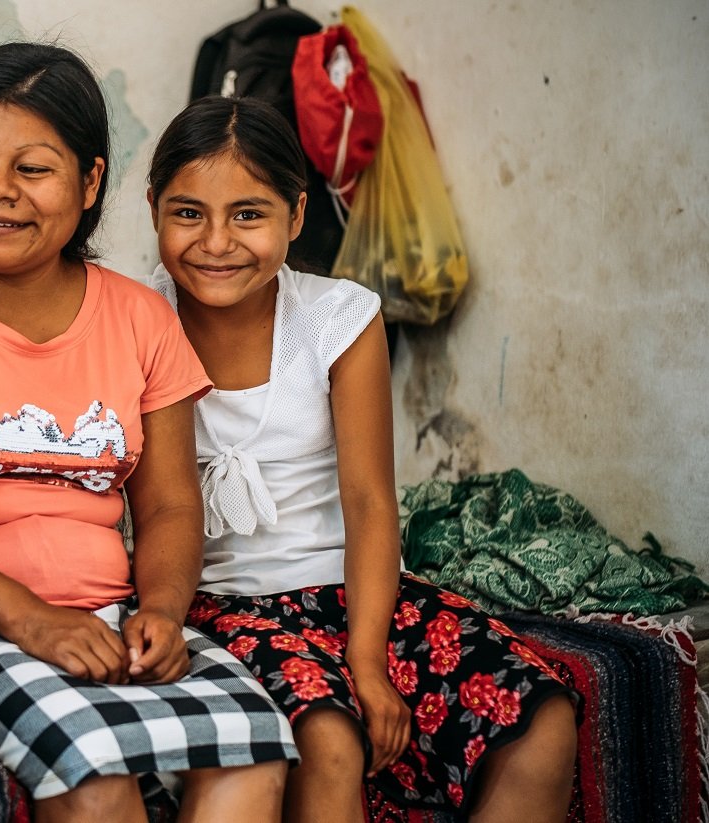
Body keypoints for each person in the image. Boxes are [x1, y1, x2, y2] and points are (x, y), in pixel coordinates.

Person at [0, 42, 297, 823]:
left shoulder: (139, 317)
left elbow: (169, 508)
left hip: (110, 618)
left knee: (254, 750)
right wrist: (29, 618)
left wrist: (160, 608)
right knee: (95, 778)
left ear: (90, 182)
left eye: (32, 169)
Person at [144, 94, 578, 822]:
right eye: (188, 213)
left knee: (540, 715)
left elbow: (371, 502)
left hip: (350, 592)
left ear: (297, 215)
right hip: (216, 605)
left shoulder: (338, 318)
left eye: (248, 214)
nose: (216, 240)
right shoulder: (134, 318)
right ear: (153, 206)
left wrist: (367, 660)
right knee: (329, 737)